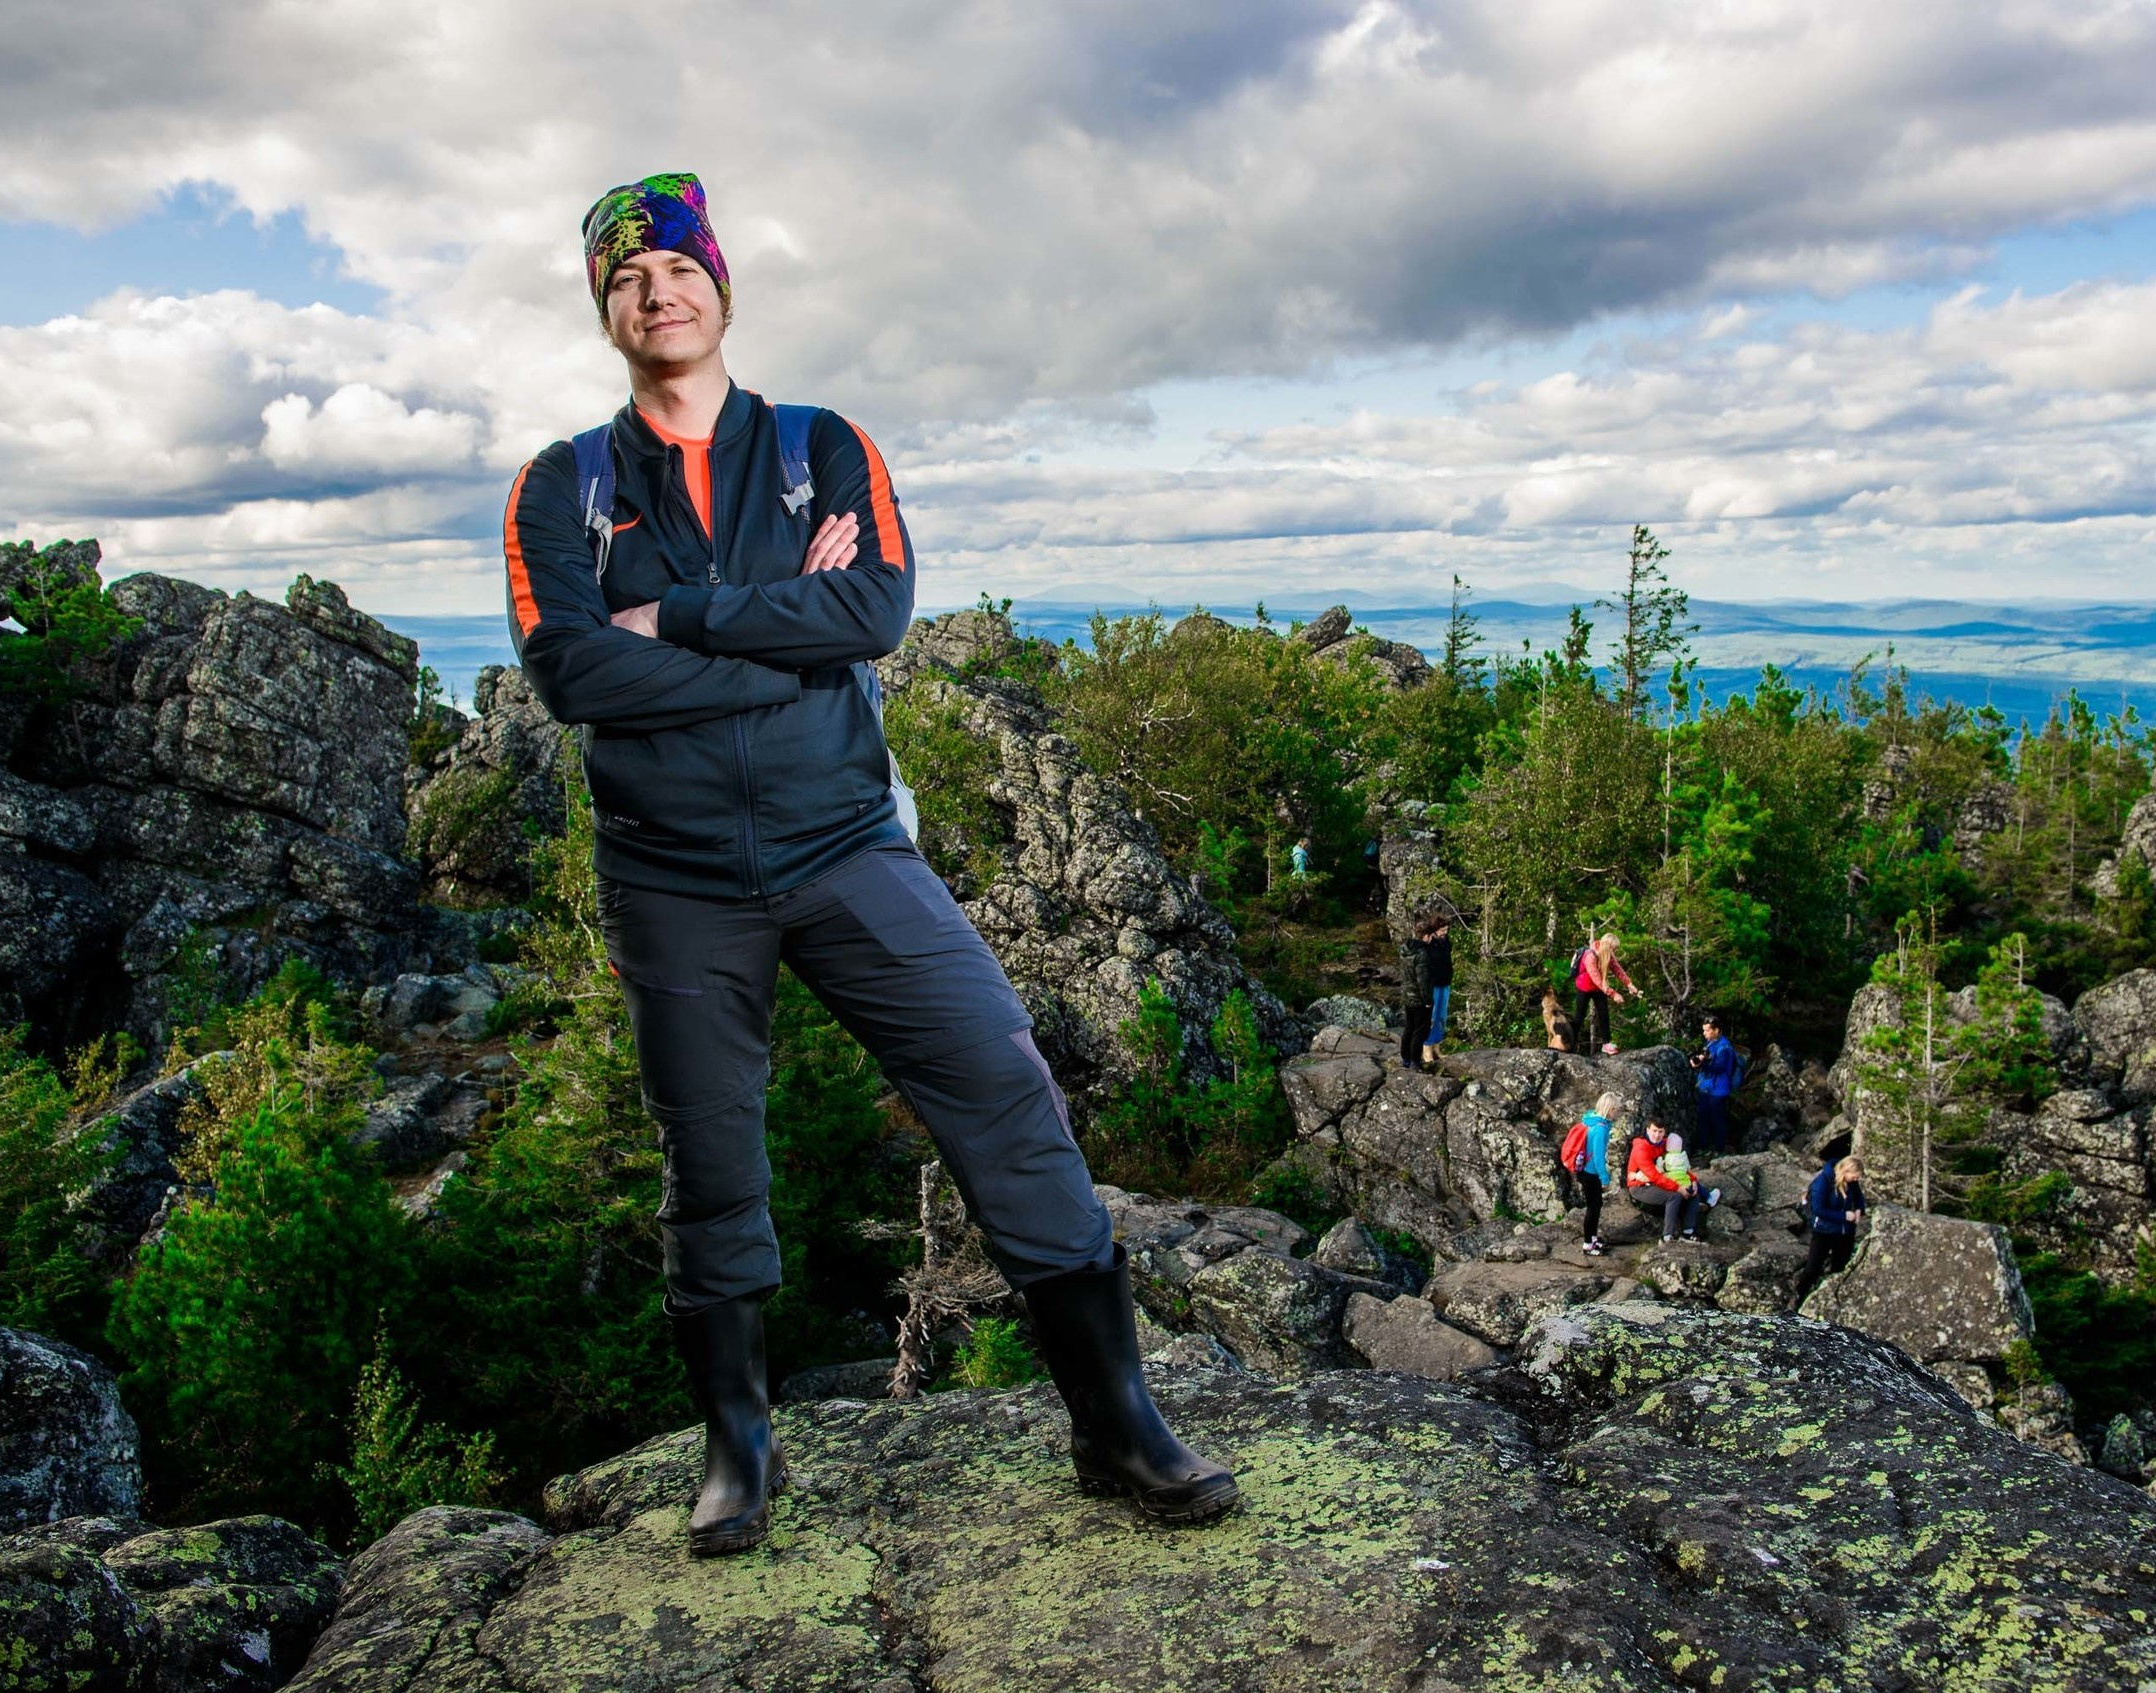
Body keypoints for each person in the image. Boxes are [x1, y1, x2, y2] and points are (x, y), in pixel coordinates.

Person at [504, 173, 1236, 1552]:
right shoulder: (565, 483)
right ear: (605, 311)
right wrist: (785, 646)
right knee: (710, 1158)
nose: (657, 294)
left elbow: (878, 609)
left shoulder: (824, 446)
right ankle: (739, 1450)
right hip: (671, 880)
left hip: (847, 846)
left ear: (722, 283)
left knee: (1004, 1085)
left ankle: (1116, 1425)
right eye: (626, 280)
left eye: (677, 268)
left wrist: (685, 621)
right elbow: (567, 665)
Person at [1794, 1154, 1866, 1299]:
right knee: (1813, 1268)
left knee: (1840, 1269)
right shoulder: (1823, 1181)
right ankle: (1798, 1296)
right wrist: (1844, 1216)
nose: (1856, 1180)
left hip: (1845, 1232)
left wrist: (1859, 1209)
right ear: (1846, 1171)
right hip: (1824, 1231)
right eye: (1855, 1176)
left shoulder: (1851, 1182)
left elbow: (1859, 1197)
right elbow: (1818, 1209)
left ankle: (1831, 1299)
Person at [1625, 1116, 1705, 1242]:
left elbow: (1678, 1164)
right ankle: (1667, 1236)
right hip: (1640, 1187)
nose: (1657, 1135)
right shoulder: (1641, 1148)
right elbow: (1654, 1176)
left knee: (1693, 1194)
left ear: (1664, 1132)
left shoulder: (1665, 1144)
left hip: (1660, 1181)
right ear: (1647, 1130)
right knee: (1674, 1196)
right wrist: (1678, 1188)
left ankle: (1688, 1232)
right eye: (1654, 1131)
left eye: (1660, 1131)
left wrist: (1693, 1180)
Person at [1569, 934, 1638, 1056]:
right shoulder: (1590, 956)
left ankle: (1606, 1044)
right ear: (1607, 946)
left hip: (1598, 989)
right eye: (1614, 948)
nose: (1615, 951)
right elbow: (1597, 980)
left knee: (1604, 1014)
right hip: (1584, 987)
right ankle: (1570, 1042)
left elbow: (1617, 969)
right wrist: (1614, 994)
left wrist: (1629, 984)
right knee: (1579, 1017)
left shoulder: (1608, 954)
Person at [1574, 1093, 1621, 1254]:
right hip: (1591, 1173)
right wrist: (1604, 1178)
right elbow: (1598, 1158)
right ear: (1609, 1109)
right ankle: (1588, 1244)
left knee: (1596, 1205)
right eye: (1615, 1109)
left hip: (1584, 1170)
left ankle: (1593, 1239)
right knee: (1593, 1208)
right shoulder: (1600, 1130)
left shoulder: (1591, 1120)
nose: (1617, 1113)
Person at [1691, 1015, 1740, 1155]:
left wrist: (1702, 1064)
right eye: (1704, 1030)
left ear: (1716, 1030)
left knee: (1718, 1119)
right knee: (1703, 1117)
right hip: (1706, 1087)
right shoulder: (1710, 1044)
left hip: (1718, 1090)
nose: (1704, 1033)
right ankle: (1703, 1146)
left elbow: (1719, 1068)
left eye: (1707, 1031)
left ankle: (1719, 1148)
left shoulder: (1724, 1048)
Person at [1418, 912, 1453, 1068]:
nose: (1445, 933)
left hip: (1444, 982)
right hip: (1432, 984)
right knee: (1430, 1017)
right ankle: (1426, 1048)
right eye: (1442, 931)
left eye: (1446, 930)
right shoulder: (1428, 944)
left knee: (1441, 1016)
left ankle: (1437, 1046)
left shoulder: (1446, 941)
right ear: (1435, 929)